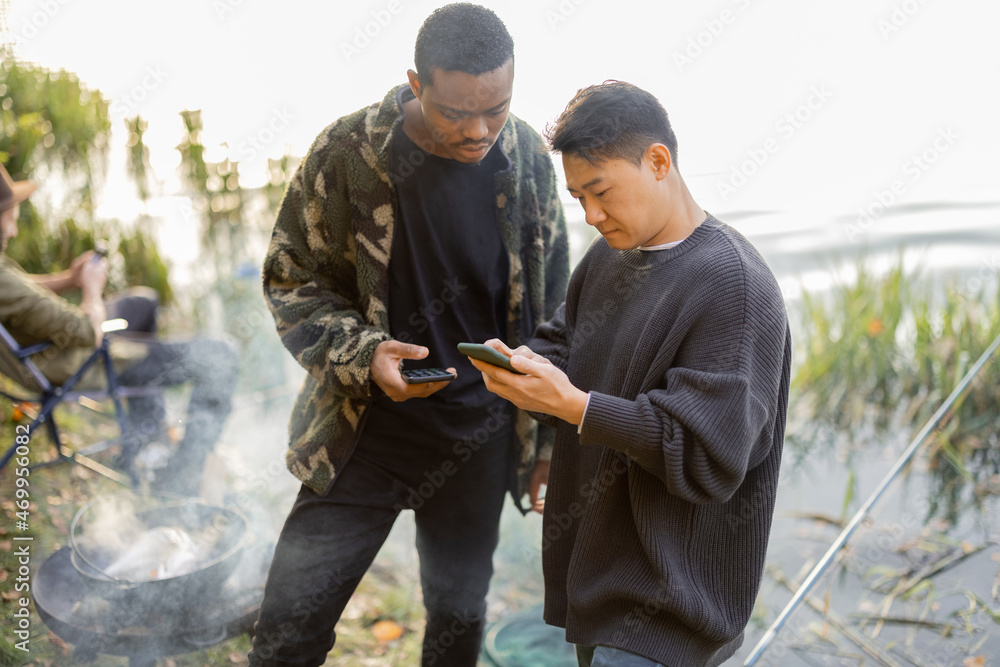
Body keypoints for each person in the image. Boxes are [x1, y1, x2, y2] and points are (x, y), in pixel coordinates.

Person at [249, 4, 569, 665]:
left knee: (456, 623)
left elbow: (558, 312)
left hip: (479, 438)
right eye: (457, 112)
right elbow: (290, 282)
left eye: (498, 108)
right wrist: (366, 357)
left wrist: (547, 443)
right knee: (288, 626)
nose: (479, 131)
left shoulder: (530, 158)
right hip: (364, 430)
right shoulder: (346, 154)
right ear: (415, 84)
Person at [468, 82, 792, 667]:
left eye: (601, 191)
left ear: (659, 161)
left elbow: (705, 455)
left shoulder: (732, 285)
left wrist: (576, 407)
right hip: (598, 587)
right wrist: (524, 373)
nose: (591, 215)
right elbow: (563, 348)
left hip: (671, 611)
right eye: (577, 197)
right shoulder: (608, 257)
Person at [0, 162, 238, 496]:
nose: (13, 229)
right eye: (10, 216)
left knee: (143, 302)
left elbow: (22, 288)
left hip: (52, 349)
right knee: (222, 355)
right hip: (82, 361)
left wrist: (69, 278)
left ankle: (144, 437)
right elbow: (87, 330)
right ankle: (180, 479)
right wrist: (91, 289)